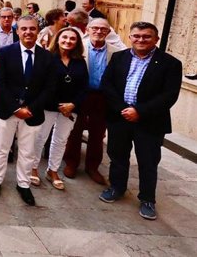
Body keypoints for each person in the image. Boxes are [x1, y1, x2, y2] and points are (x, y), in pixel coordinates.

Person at [99, 22, 182, 220]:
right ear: (130, 37)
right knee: (117, 155)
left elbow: (169, 95)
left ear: (156, 39)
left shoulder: (170, 63)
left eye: (146, 36)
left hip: (150, 121)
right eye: (136, 36)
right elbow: (107, 85)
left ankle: (147, 200)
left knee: (148, 161)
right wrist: (122, 109)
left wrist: (139, 111)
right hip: (120, 118)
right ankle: (117, 187)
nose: (141, 40)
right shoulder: (119, 57)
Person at [0, 15, 55, 206]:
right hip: (7, 111)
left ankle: (23, 184)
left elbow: (49, 88)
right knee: (1, 148)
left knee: (28, 151)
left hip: (33, 114)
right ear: (18, 31)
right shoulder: (5, 53)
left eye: (32, 29)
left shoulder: (47, 57)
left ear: (37, 31)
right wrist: (16, 108)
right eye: (24, 29)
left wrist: (30, 108)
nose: (28, 32)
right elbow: (0, 83)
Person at [63, 17, 122, 184]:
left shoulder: (116, 52)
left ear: (109, 32)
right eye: (95, 28)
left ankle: (92, 167)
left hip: (102, 97)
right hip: (80, 95)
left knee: (98, 133)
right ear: (87, 29)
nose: (98, 32)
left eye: (103, 29)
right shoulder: (77, 48)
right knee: (75, 130)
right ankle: (71, 163)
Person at [30, 27, 88, 191]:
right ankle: (33, 168)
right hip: (49, 105)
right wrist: (58, 105)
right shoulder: (47, 58)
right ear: (58, 38)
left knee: (61, 140)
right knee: (41, 137)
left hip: (70, 108)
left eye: (72, 39)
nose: (68, 41)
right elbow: (41, 84)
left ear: (77, 42)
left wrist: (73, 104)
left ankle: (52, 170)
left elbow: (84, 86)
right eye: (65, 37)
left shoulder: (79, 61)